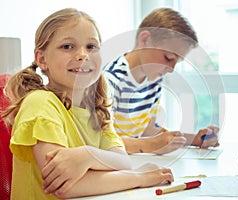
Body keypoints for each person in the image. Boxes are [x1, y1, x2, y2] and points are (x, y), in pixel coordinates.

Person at [1, 8, 173, 200]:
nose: (83, 55)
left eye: (91, 46)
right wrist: (139, 177)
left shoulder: (97, 110)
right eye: (67, 47)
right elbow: (67, 187)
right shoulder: (40, 103)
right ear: (42, 59)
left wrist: (88, 155)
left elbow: (122, 161)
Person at [103, 8, 220, 155]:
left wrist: (194, 139)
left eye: (177, 62)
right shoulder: (110, 81)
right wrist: (152, 145)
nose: (171, 69)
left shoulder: (153, 81)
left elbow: (150, 131)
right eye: (168, 58)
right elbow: (102, 141)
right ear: (144, 40)